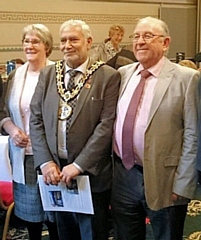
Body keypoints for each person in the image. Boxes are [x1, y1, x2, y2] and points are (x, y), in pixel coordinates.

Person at [29, 19, 120, 240]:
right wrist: (45, 161)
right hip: (55, 173)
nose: (67, 45)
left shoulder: (107, 76)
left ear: (88, 42)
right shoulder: (49, 74)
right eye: (63, 40)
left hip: (90, 174)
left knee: (92, 233)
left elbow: (106, 125)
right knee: (63, 233)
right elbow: (36, 119)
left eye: (73, 39)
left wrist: (79, 165)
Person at [112, 16, 200, 240]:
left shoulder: (187, 79)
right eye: (137, 36)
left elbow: (193, 135)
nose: (140, 41)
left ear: (166, 42)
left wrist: (183, 182)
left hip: (166, 178)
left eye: (148, 36)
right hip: (124, 175)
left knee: (166, 235)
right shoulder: (123, 74)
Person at [0, 24, 59, 240]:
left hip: (52, 156)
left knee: (55, 215)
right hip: (23, 156)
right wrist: (12, 128)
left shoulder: (57, 73)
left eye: (35, 41)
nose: (29, 45)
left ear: (47, 46)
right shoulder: (16, 74)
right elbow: (3, 110)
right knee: (31, 216)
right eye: (26, 41)